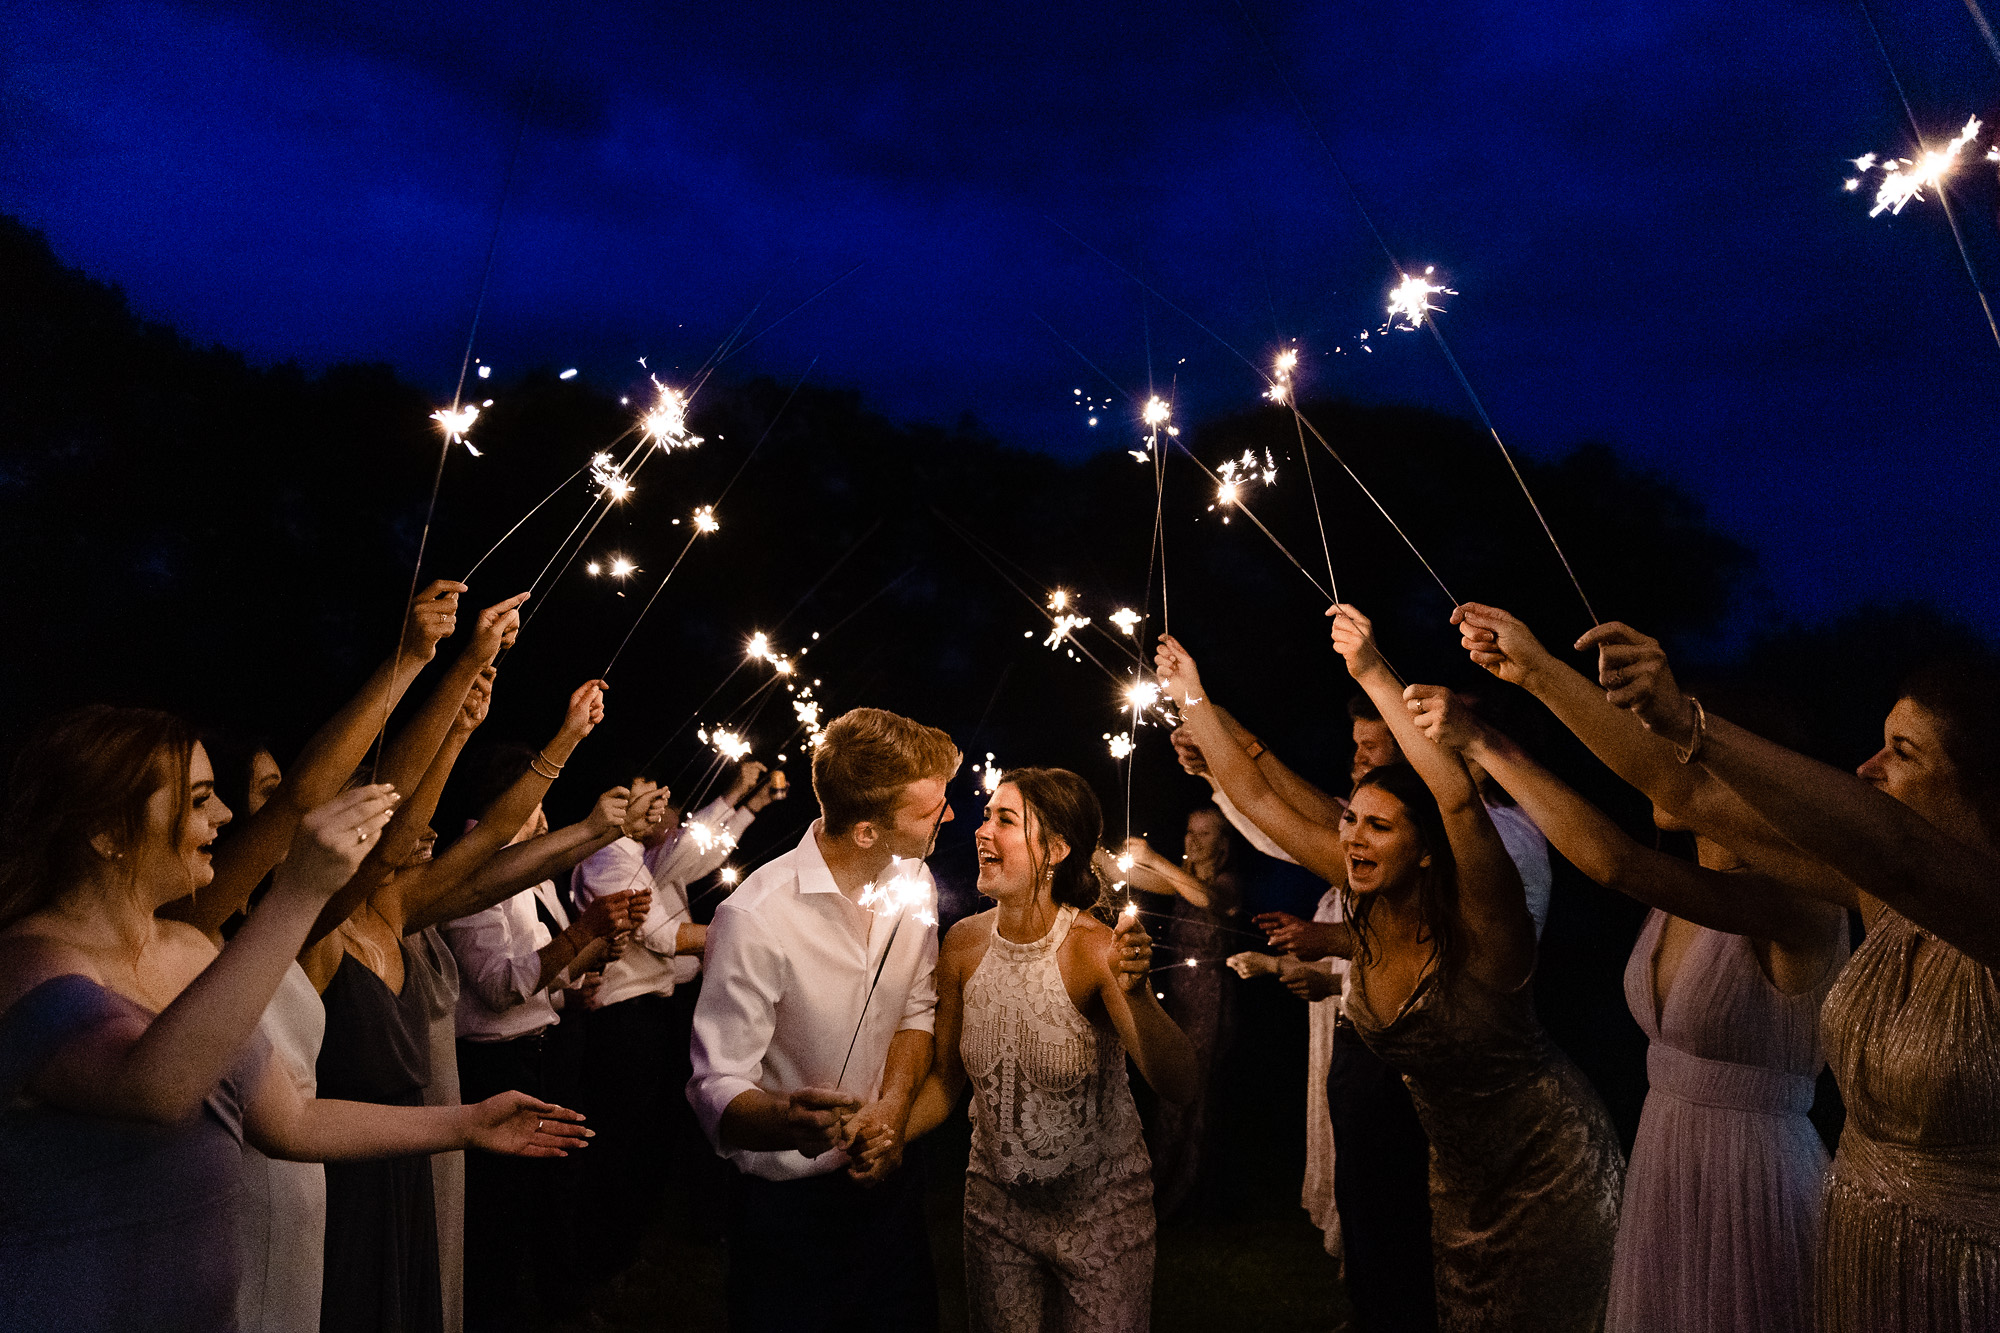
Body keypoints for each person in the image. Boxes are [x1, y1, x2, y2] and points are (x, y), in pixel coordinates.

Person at [1457, 602, 2000, 1332]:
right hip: (1859, 1247)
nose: (1866, 769)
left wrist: (1689, 719)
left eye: (1902, 751)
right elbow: (1684, 791)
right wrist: (1538, 672)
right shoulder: (1877, 895)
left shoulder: (1964, 908)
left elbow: (1623, 859)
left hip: (1962, 1273)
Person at [0, 707, 589, 1333]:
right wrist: (300, 893)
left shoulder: (189, 948)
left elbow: (291, 1121)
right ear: (105, 831)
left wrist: (466, 1123)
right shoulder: (26, 964)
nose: (224, 817)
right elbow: (153, 1085)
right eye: (199, 801)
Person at [1161, 612, 1625, 1332]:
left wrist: (1374, 668)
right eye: (1350, 823)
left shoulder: (1487, 923)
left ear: (1429, 849)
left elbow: (1458, 798)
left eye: (1377, 826)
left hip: (1541, 1168)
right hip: (1453, 1173)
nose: (1351, 836)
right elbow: (1255, 798)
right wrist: (1192, 693)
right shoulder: (1368, 898)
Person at [1413, 642, 1848, 1333]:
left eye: (1665, 747)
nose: (1647, 765)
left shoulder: (1798, 901)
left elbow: (1611, 861)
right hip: (1668, 1156)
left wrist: (1493, 737)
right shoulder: (1680, 893)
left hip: (1751, 1178)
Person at [688, 707, 959, 1332]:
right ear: (866, 830)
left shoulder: (914, 882)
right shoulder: (755, 915)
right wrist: (788, 1121)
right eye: (928, 810)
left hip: (890, 1187)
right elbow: (715, 1086)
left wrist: (892, 1110)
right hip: (785, 1211)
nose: (947, 816)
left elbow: (916, 1010)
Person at [907, 767, 1196, 1332]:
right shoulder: (962, 944)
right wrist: (884, 1132)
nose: (982, 831)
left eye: (1005, 820)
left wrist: (1136, 996)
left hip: (1101, 1218)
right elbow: (944, 1085)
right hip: (995, 1215)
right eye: (987, 816)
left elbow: (1179, 1083)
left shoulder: (1095, 949)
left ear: (1056, 849)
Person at [441, 744, 661, 1333]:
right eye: (538, 804)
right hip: (497, 1065)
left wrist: (591, 959)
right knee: (503, 1215)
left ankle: (561, 1308)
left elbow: (544, 970)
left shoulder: (531, 875)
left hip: (549, 1048)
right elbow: (499, 987)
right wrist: (587, 932)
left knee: (555, 1197)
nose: (546, 819)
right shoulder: (470, 871)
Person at [570, 759, 784, 1277]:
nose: (664, 804)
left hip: (654, 1013)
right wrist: (747, 937)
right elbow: (661, 938)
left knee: (650, 1136)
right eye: (648, 794)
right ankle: (596, 1261)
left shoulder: (647, 858)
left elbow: (701, 851)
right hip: (622, 1018)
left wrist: (748, 803)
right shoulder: (607, 859)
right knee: (620, 1139)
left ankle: (625, 1247)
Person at [1107, 806, 1242, 1218]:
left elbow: (1207, 899)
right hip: (1179, 999)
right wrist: (1090, 851)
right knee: (1169, 1091)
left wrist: (1154, 858)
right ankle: (1159, 1190)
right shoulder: (1179, 883)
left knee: (1194, 1097)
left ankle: (1190, 1197)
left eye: (1205, 833)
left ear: (1223, 844)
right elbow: (1125, 876)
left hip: (1211, 1002)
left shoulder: (1225, 884)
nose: (1194, 840)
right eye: (1189, 831)